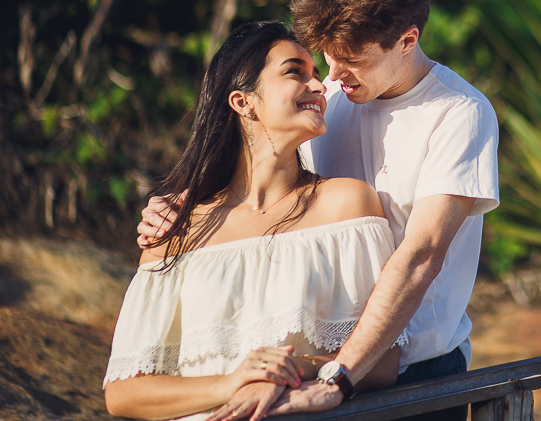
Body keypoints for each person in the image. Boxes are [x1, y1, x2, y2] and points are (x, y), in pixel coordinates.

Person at [138, 0, 501, 420]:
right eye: (327, 56)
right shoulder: (329, 96)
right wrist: (188, 204)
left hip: (417, 374)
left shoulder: (459, 113)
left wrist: (340, 379)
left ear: (408, 41)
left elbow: (421, 256)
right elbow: (263, 170)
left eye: (352, 59)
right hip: (320, 365)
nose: (333, 75)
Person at [106, 21, 404, 421]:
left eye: (316, 75)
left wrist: (293, 371)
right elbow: (125, 392)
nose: (319, 87)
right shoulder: (174, 229)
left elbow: (384, 363)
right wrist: (234, 382)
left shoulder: (346, 205)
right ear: (242, 101)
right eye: (294, 72)